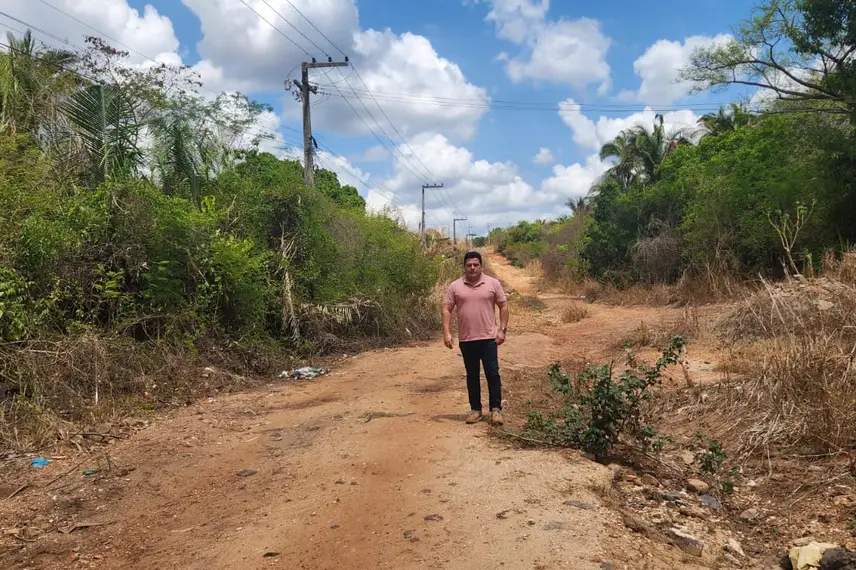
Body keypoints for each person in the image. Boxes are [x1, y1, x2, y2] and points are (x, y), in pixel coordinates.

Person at [442, 251, 509, 425]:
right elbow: (447, 309)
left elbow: (503, 306)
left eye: (475, 265)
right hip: (467, 339)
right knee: (472, 375)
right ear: (464, 266)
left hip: (488, 338)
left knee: (492, 374)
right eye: (469, 265)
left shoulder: (493, 284)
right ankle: (476, 410)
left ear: (481, 266)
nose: (472, 268)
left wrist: (502, 330)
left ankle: (496, 410)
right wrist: (447, 333)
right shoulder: (455, 286)